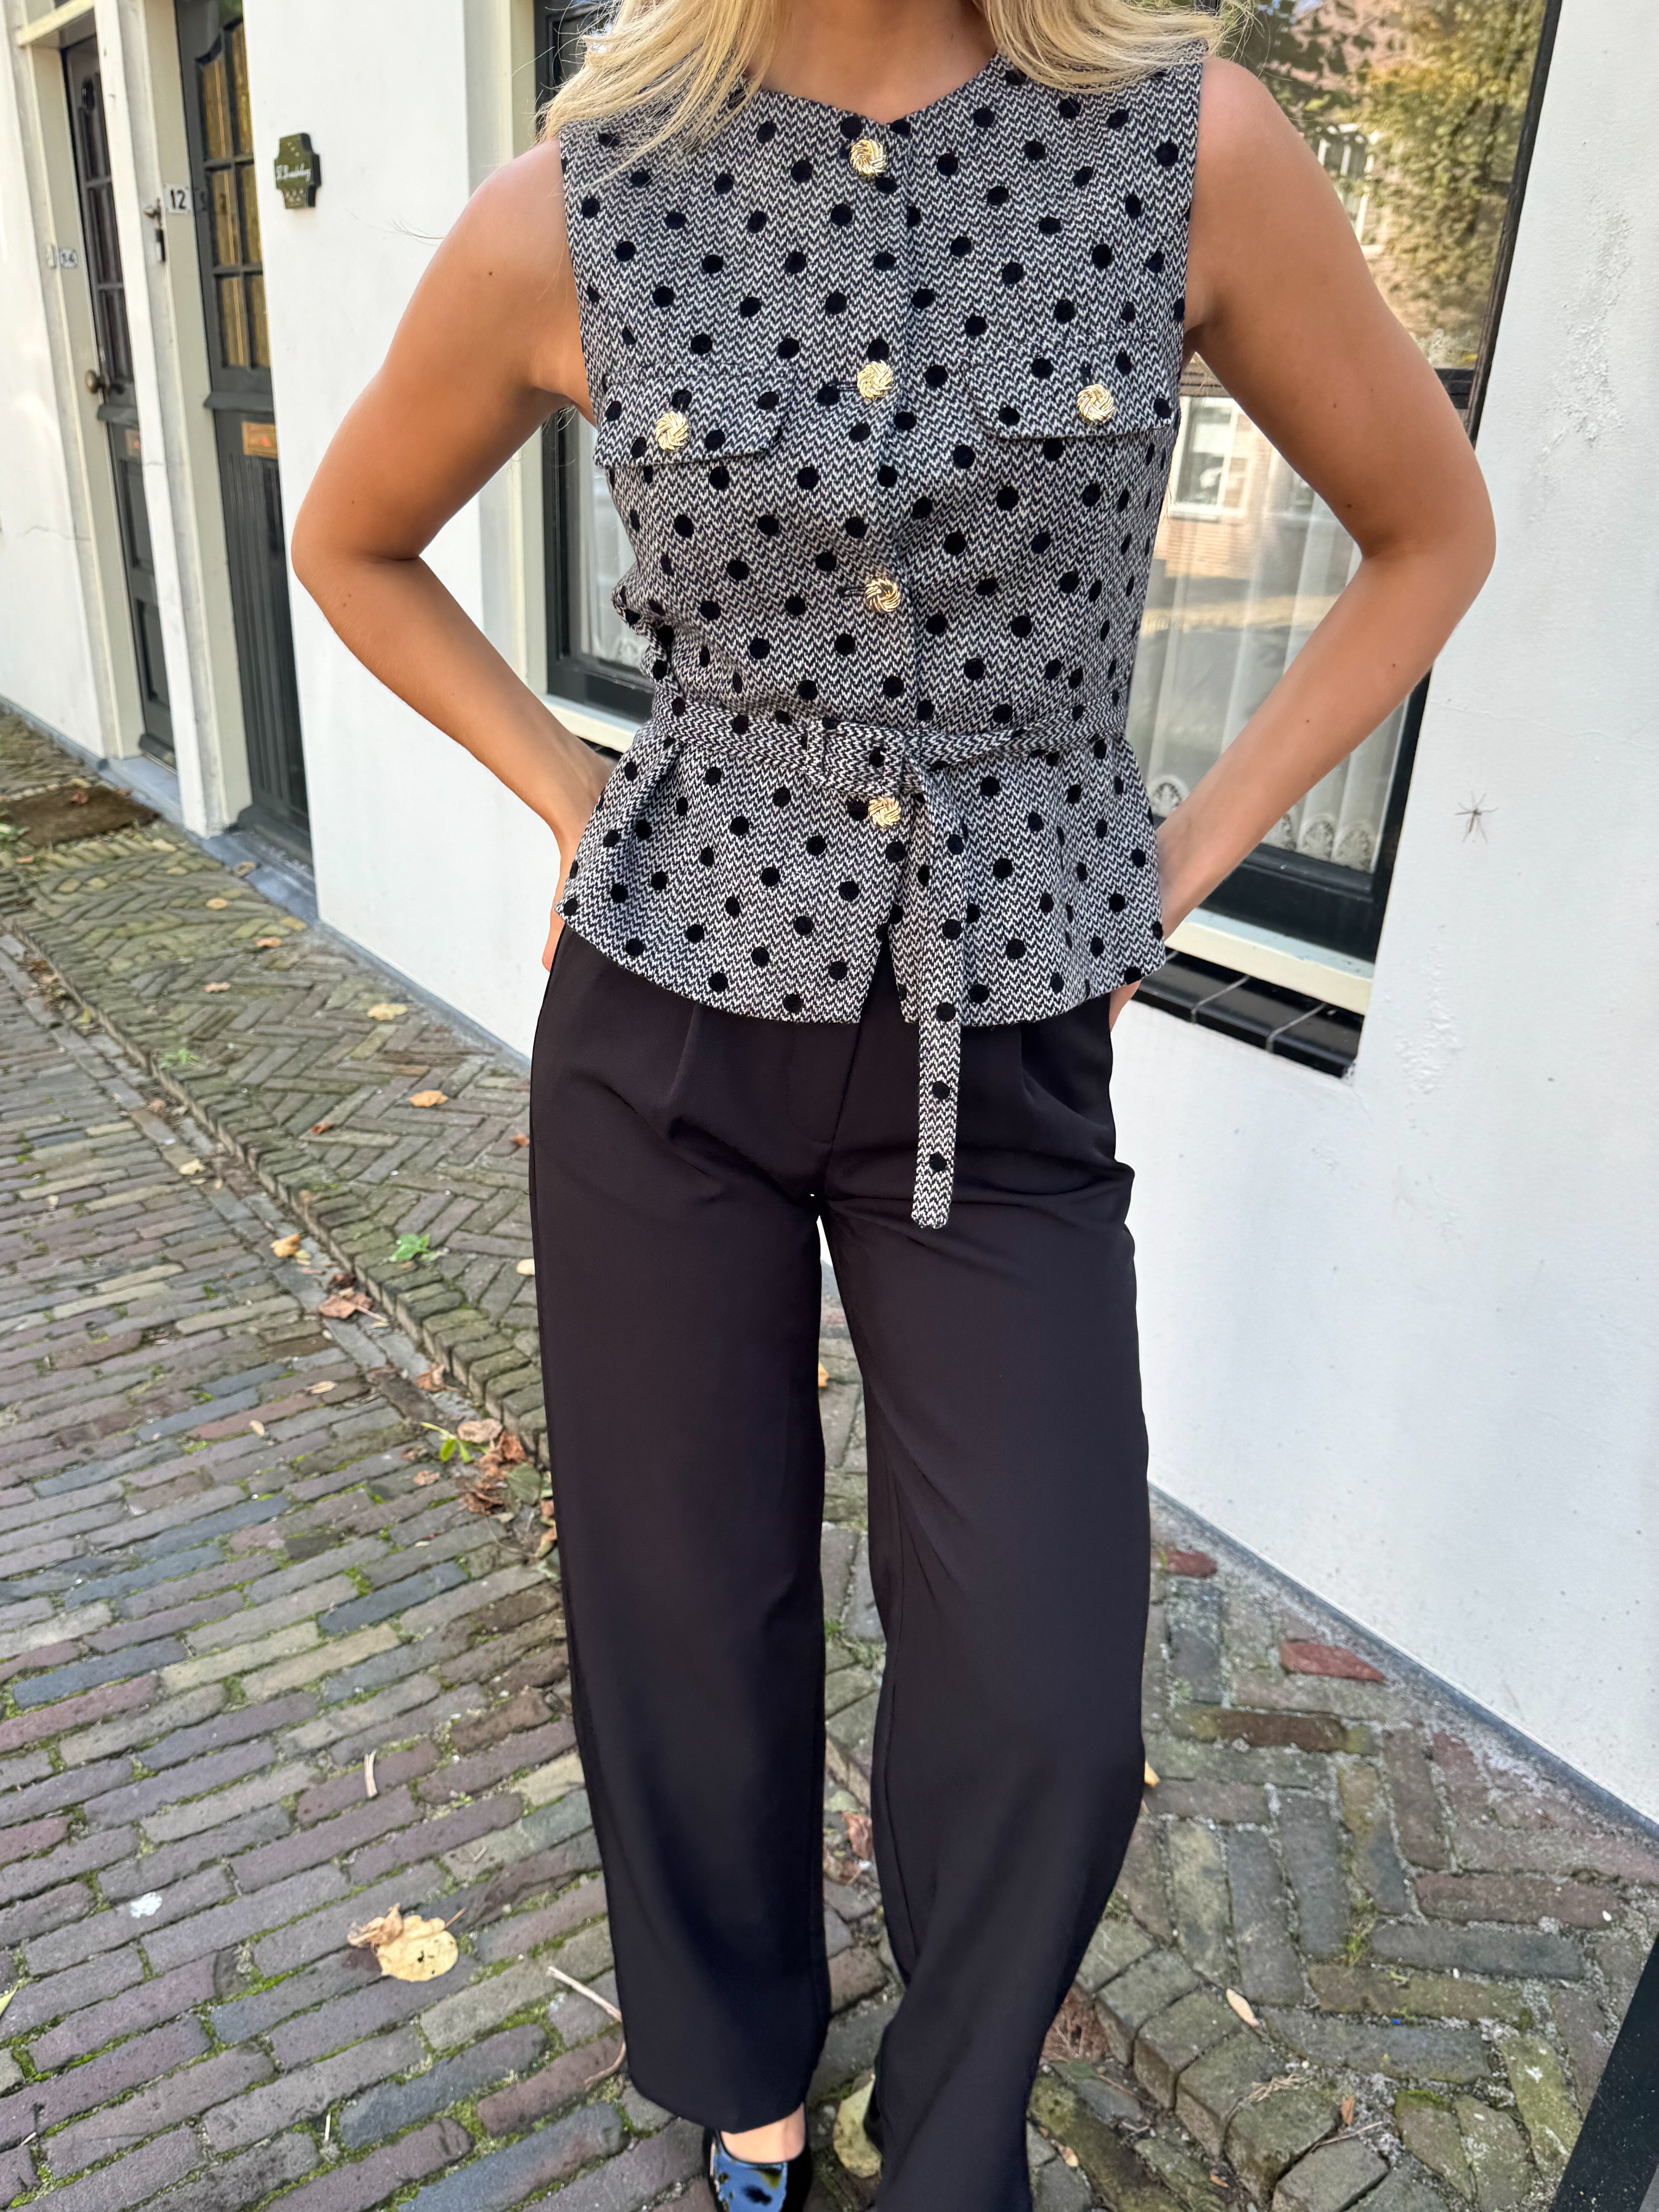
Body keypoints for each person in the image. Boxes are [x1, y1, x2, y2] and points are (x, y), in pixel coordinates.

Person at [291, 0, 1494, 2200]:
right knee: (684, 1611)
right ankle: (743, 2066)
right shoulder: (578, 203)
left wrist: (1177, 857)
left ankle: (945, 2140)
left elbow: (1431, 532)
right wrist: (569, 792)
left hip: (999, 1055)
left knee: (1048, 1691)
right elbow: (351, 540)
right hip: (665, 1036)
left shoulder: (1188, 151)